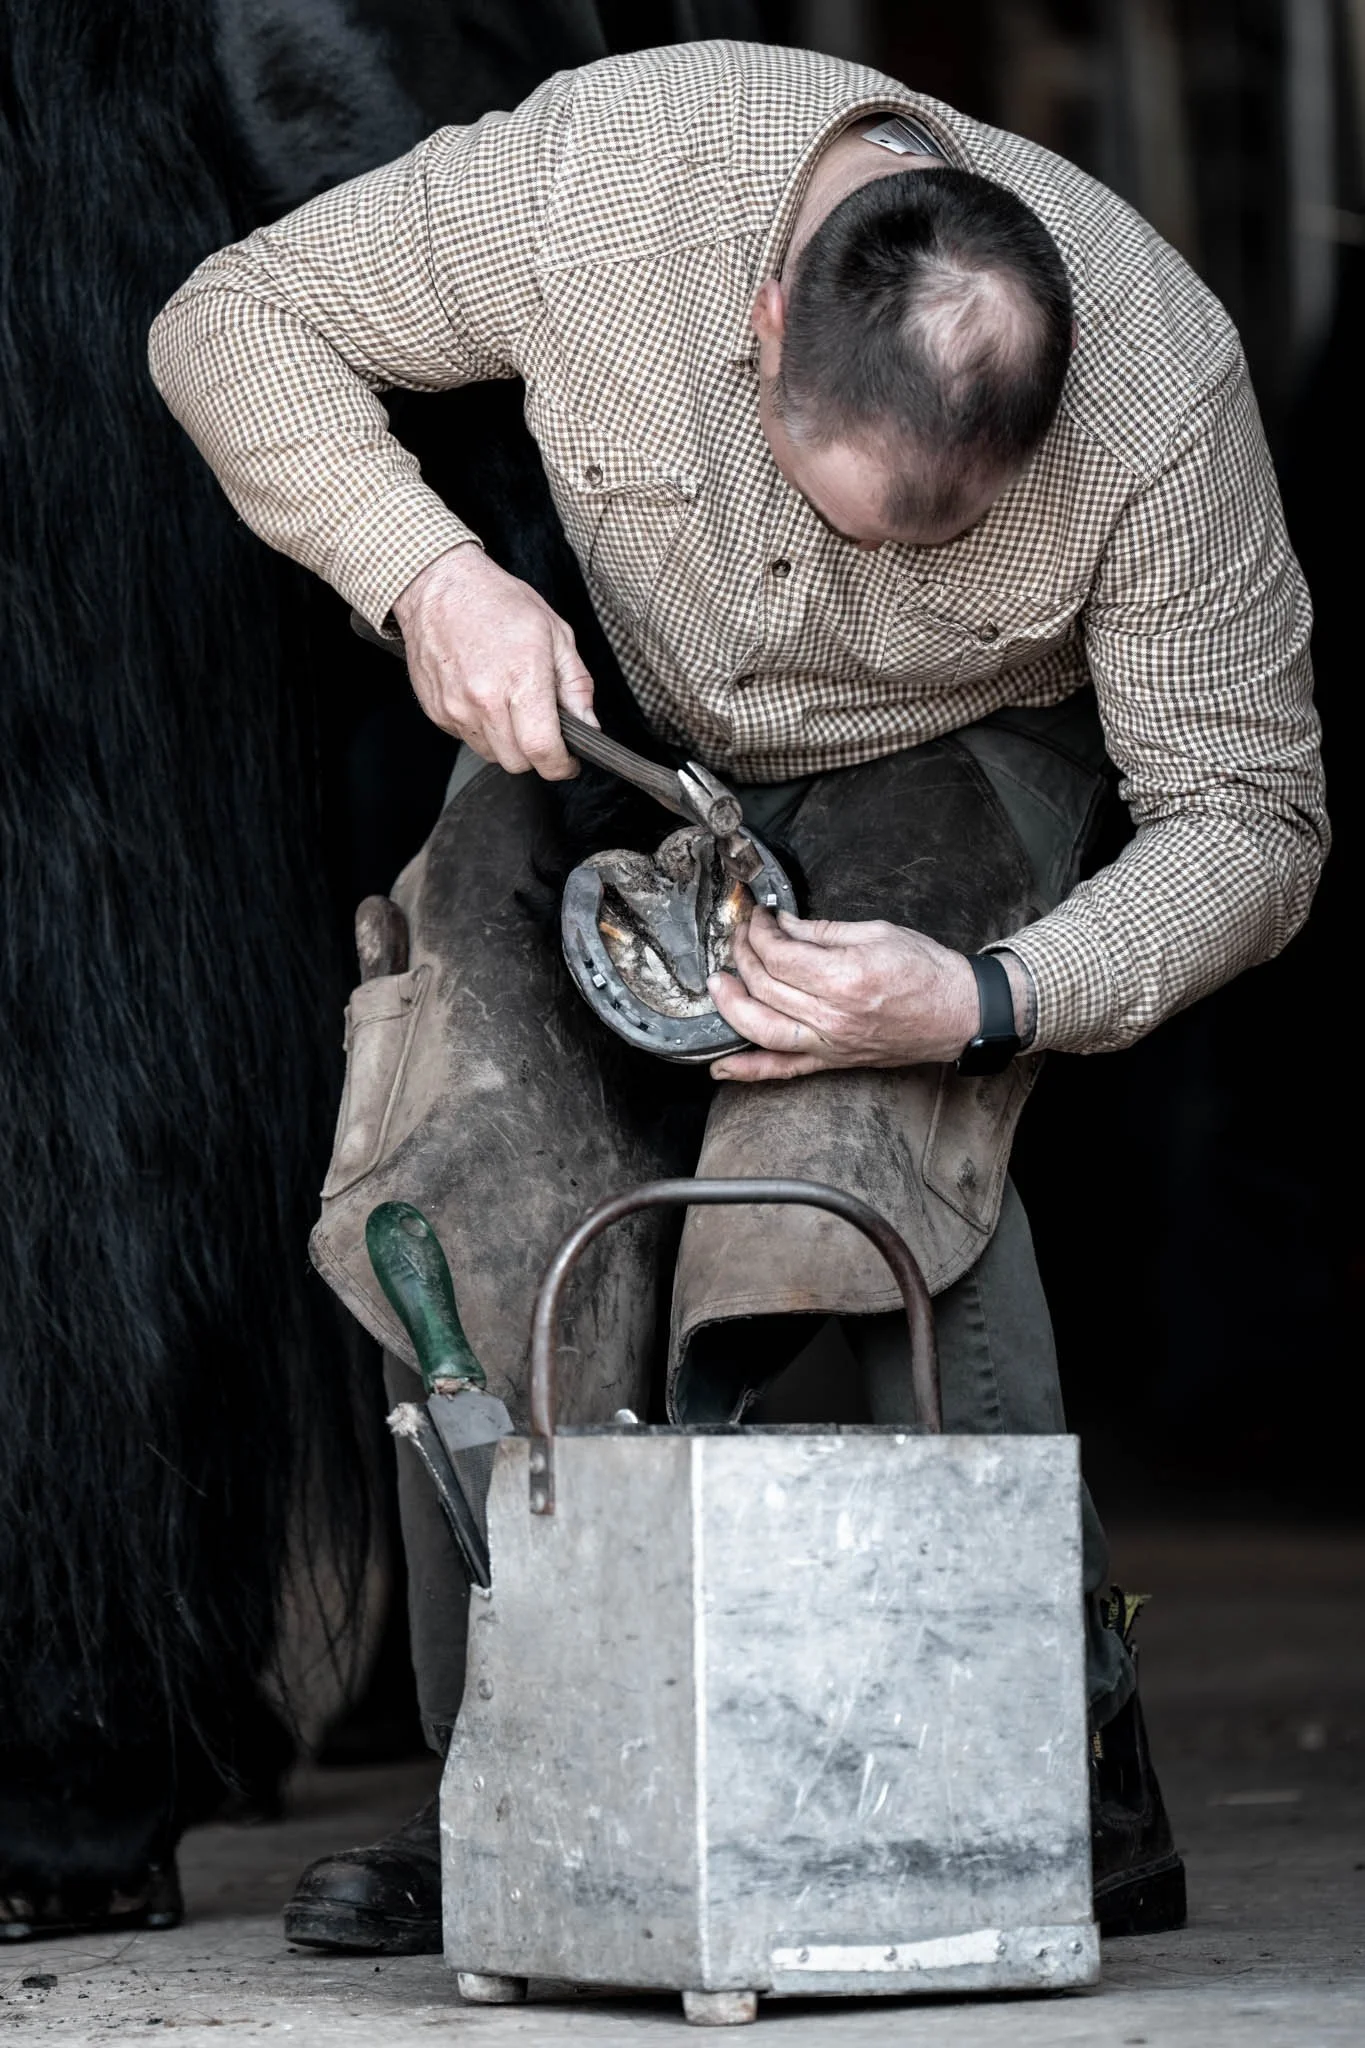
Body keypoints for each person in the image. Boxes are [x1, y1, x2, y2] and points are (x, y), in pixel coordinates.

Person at [150, 39, 1324, 1957]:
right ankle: (514, 1789)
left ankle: (1045, 1755)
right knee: (474, 1167)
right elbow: (230, 318)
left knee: (843, 1159)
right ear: (765, 310)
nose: (856, 559)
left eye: (922, 542)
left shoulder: (1164, 388)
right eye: (829, 496)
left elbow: (1257, 819)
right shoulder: (609, 180)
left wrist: (990, 992)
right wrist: (428, 574)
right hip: (625, 735)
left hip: (955, 761)